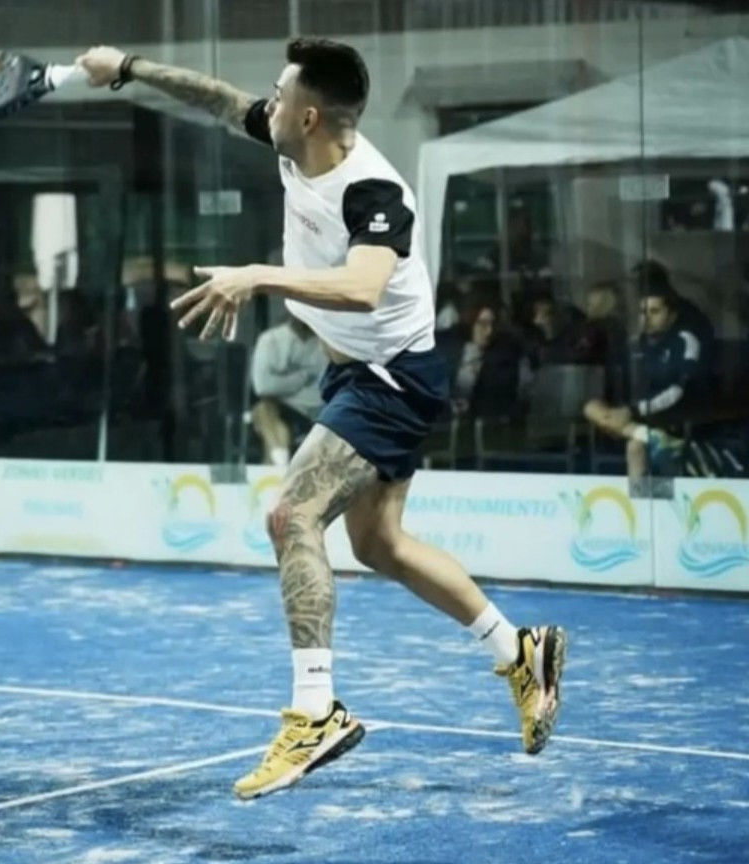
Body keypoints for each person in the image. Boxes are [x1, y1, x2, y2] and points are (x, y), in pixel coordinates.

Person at [78, 38, 566, 801]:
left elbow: (364, 287)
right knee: (379, 544)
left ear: (308, 116)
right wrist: (130, 68)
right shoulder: (291, 142)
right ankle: (519, 650)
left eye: (279, 96)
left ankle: (315, 712)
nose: (265, 104)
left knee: (291, 515)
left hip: (389, 378)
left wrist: (256, 276)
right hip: (358, 371)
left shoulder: (374, 192)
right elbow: (214, 98)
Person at [584, 286, 702, 477]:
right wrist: (618, 412)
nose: (646, 318)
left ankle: (645, 440)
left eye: (654, 312)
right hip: (632, 417)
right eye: (642, 312)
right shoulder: (634, 344)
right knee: (591, 406)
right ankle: (648, 435)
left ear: (672, 316)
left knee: (635, 447)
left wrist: (633, 410)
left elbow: (677, 391)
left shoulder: (685, 341)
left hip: (668, 417)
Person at [251, 316, 327, 466]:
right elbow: (263, 386)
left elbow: (324, 389)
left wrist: (282, 383)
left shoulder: (327, 345)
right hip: (283, 407)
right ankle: (280, 464)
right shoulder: (270, 340)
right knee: (264, 411)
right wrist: (301, 378)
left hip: (319, 413)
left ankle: (279, 468)